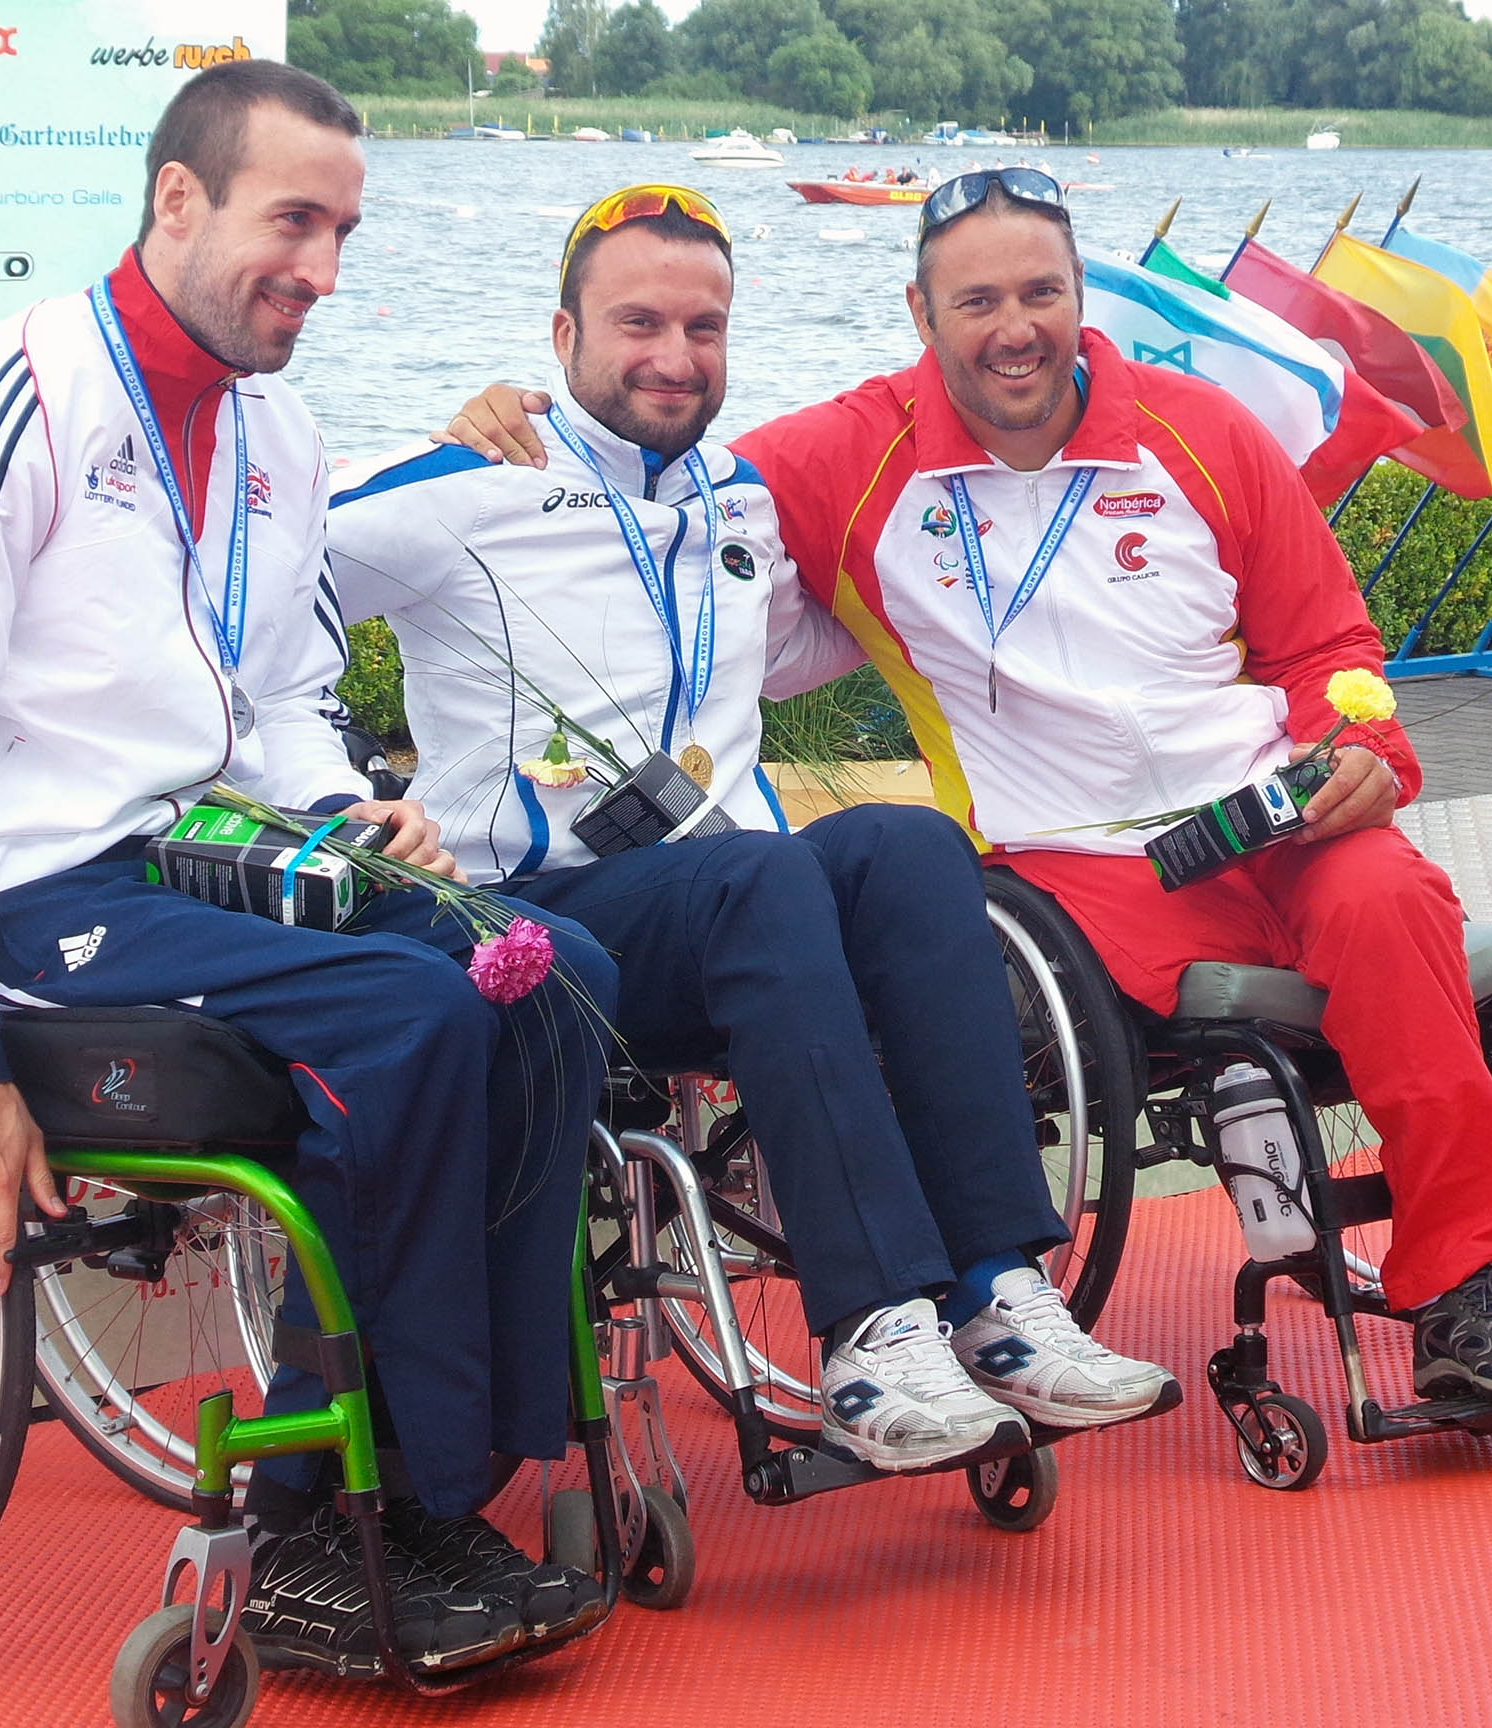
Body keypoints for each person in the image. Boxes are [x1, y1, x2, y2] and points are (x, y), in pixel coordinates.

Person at [443, 167, 1492, 1408]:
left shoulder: (1203, 432)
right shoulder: (841, 456)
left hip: (1277, 821)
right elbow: (649, 482)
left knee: (1392, 910)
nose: (1013, 328)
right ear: (920, 314)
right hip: (1071, 869)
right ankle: (976, 1300)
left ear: (1078, 295)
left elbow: (1328, 650)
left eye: (1040, 292)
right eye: (975, 299)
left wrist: (1363, 751)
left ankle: (1471, 1292)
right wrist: (505, 431)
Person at [0, 60, 618, 1681]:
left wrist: (337, 805)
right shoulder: (9, 406)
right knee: (409, 1017)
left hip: (211, 853)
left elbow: (271, 697)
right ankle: (336, 1511)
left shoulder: (273, 428)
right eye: (291, 221)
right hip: (32, 884)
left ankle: (477, 1461)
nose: (321, 268)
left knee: (557, 977)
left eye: (341, 231)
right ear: (176, 199)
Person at [324, 184, 1177, 1478]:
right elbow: (257, 586)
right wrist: (329, 789)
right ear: (564, 336)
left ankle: (1002, 1295)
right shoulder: (467, 486)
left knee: (908, 849)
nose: (674, 356)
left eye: (705, 327)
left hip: (735, 907)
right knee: (764, 874)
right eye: (639, 323)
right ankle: (873, 1327)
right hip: (543, 916)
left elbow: (866, 603)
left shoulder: (742, 498)